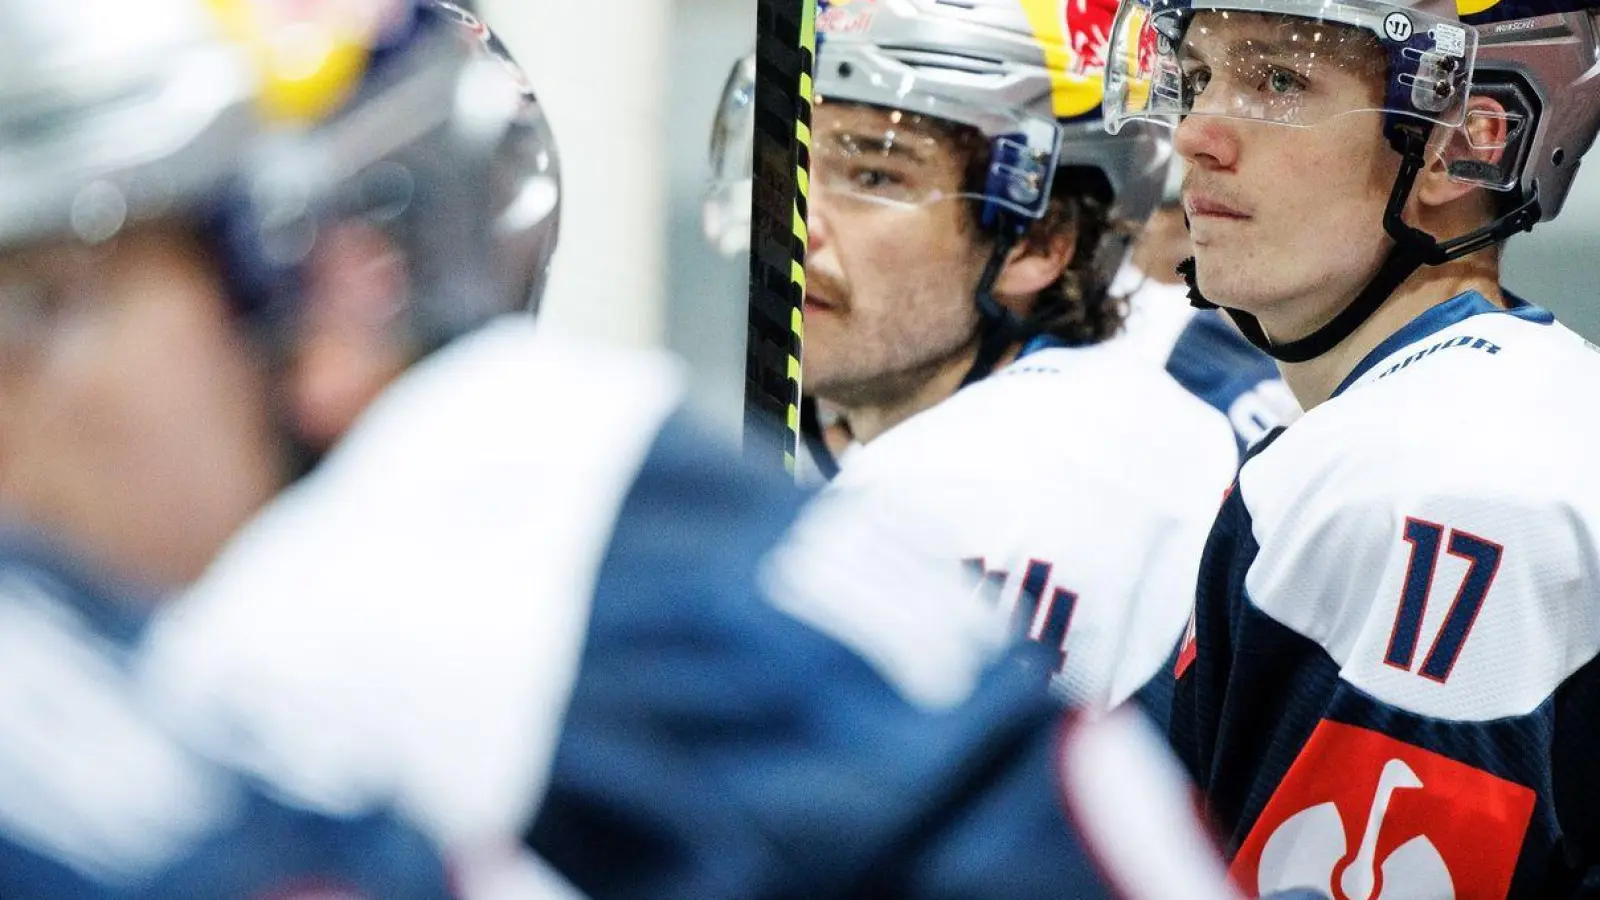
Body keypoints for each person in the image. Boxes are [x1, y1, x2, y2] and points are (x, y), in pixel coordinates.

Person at [0, 0, 1273, 897]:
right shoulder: (577, 466)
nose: (804, 226)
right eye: (801, 156)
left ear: (324, 298)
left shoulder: (398, 610)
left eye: (39, 305)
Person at [1103, 0, 1600, 893]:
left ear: (1465, 142)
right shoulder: (1474, 413)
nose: (1195, 135)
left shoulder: (1425, 475)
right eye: (1200, 75)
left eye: (1279, 80)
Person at [707, 0, 1238, 713]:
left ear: (1038, 240)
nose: (799, 223)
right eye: (793, 162)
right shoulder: (1117, 412)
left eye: (873, 176)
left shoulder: (965, 483)